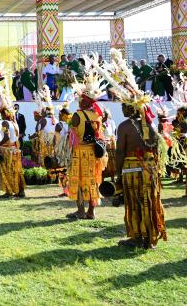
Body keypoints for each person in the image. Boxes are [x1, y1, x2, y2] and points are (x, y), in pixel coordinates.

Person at [116, 103, 167, 249]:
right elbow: (156, 149)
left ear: (131, 108)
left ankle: (137, 238)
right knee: (148, 202)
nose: (122, 109)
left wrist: (118, 174)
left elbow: (120, 152)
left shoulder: (124, 126)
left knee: (135, 203)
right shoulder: (150, 126)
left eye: (124, 107)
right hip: (149, 171)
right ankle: (149, 239)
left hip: (131, 170)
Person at [66, 64, 107, 220]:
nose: (78, 101)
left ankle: (80, 211)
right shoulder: (97, 116)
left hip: (80, 152)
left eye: (80, 99)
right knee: (93, 181)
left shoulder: (77, 116)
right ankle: (91, 212)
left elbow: (72, 133)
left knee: (78, 180)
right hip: (94, 154)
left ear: (84, 101)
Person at [0, 101, 26, 198]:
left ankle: (8, 192)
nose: (1, 116)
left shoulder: (5, 123)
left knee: (7, 170)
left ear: (4, 114)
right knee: (16, 170)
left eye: (1, 114)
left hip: (7, 150)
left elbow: (6, 137)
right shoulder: (14, 123)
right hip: (15, 150)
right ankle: (20, 191)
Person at [102, 109, 118, 182]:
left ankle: (112, 177)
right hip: (103, 144)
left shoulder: (111, 122)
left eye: (105, 114)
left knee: (111, 161)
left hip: (110, 144)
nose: (104, 115)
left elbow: (114, 133)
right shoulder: (100, 122)